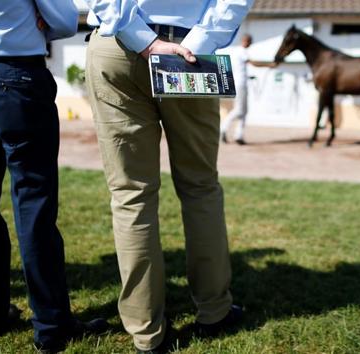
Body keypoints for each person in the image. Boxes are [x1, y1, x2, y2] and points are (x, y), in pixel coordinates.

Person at [83, 0, 254, 352]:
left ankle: (146, 332)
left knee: (132, 195)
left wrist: (144, 40)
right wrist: (199, 42)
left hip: (117, 45)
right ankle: (214, 311)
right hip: (191, 48)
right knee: (200, 188)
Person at [0, 1, 107, 352]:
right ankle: (51, 323)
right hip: (16, 76)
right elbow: (63, 21)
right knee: (34, 202)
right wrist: (37, 19)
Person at [220, 34, 277, 145]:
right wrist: (269, 64)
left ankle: (239, 135)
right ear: (245, 41)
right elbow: (253, 63)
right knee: (239, 110)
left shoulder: (237, 51)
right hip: (240, 84)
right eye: (249, 41)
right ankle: (223, 129)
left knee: (244, 111)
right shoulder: (242, 52)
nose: (250, 43)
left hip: (240, 83)